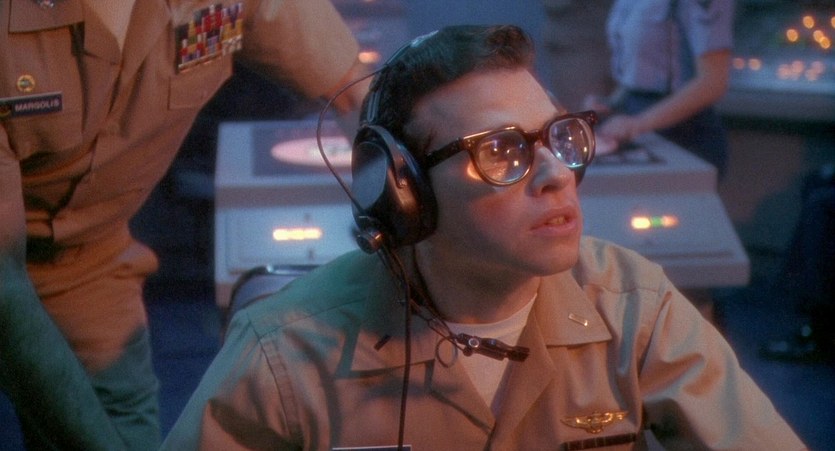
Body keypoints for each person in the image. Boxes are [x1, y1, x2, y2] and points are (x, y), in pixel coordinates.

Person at [162, 25, 804, 450]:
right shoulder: (283, 352)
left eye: (559, 137)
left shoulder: (636, 305)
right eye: (501, 150)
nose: (557, 175)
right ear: (406, 193)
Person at [0, 1, 369, 449]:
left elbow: (357, 94)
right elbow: (5, 286)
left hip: (89, 263)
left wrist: (400, 220)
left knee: (125, 433)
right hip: (7, 266)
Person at [585, 0, 733, 177]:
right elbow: (640, 70)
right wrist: (610, 103)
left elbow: (713, 82)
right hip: (638, 123)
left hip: (683, 135)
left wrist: (638, 123)